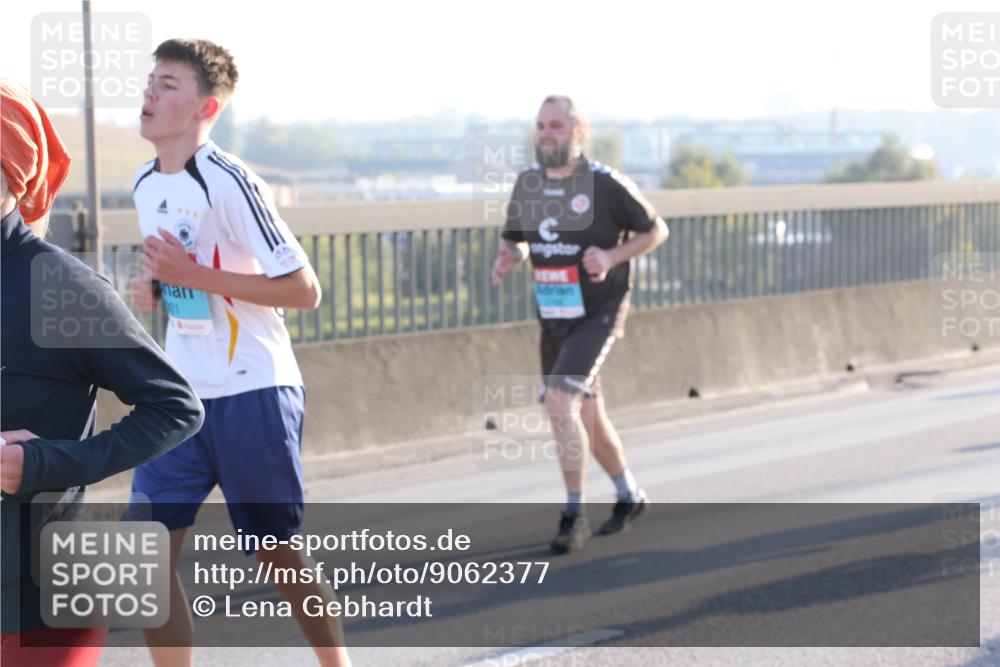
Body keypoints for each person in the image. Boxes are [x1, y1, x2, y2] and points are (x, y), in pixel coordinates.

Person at [127, 39, 350, 667]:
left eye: (168, 85)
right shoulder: (145, 184)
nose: (149, 93)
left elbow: (304, 289)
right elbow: (184, 278)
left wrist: (191, 276)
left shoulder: (230, 179)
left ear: (207, 107)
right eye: (151, 81)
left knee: (278, 554)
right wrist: (156, 288)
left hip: (253, 389)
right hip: (181, 398)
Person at [0, 79, 204, 667]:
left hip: (44, 600)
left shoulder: (60, 287)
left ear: (11, 177)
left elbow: (176, 408)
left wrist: (40, 464)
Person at [492, 95, 669, 554]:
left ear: (577, 132)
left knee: (558, 403)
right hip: (553, 315)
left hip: (599, 311)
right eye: (540, 126)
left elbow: (656, 230)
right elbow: (517, 240)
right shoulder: (528, 185)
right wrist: (508, 259)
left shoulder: (604, 184)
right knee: (588, 413)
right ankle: (630, 495)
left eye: (555, 125)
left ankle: (574, 514)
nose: (546, 133)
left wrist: (612, 256)